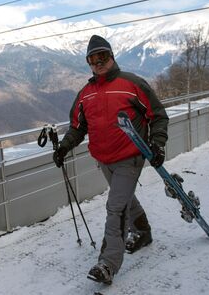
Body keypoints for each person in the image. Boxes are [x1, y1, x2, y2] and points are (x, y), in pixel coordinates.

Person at [53, 35, 169, 284]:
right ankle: (143, 232)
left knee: (115, 208)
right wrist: (64, 147)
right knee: (125, 199)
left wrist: (157, 144)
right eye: (92, 59)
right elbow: (77, 126)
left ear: (111, 56)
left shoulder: (131, 84)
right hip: (104, 159)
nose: (97, 63)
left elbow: (158, 115)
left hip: (130, 156)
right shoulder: (86, 94)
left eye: (102, 56)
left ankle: (108, 263)